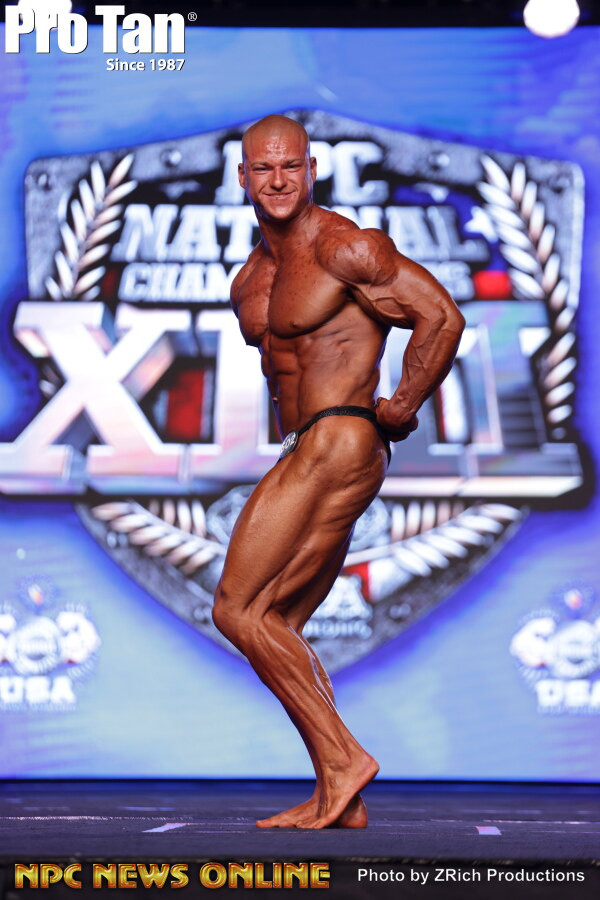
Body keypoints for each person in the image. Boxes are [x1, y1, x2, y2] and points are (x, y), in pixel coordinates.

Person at [212, 114, 465, 829]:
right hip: (309, 444)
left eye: (290, 165)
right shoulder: (250, 278)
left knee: (235, 608)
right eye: (264, 169)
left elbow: (441, 316)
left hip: (340, 436)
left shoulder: (345, 246)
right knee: (276, 622)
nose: (278, 180)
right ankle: (339, 791)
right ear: (243, 177)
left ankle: (345, 759)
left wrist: (402, 404)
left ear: (312, 169)